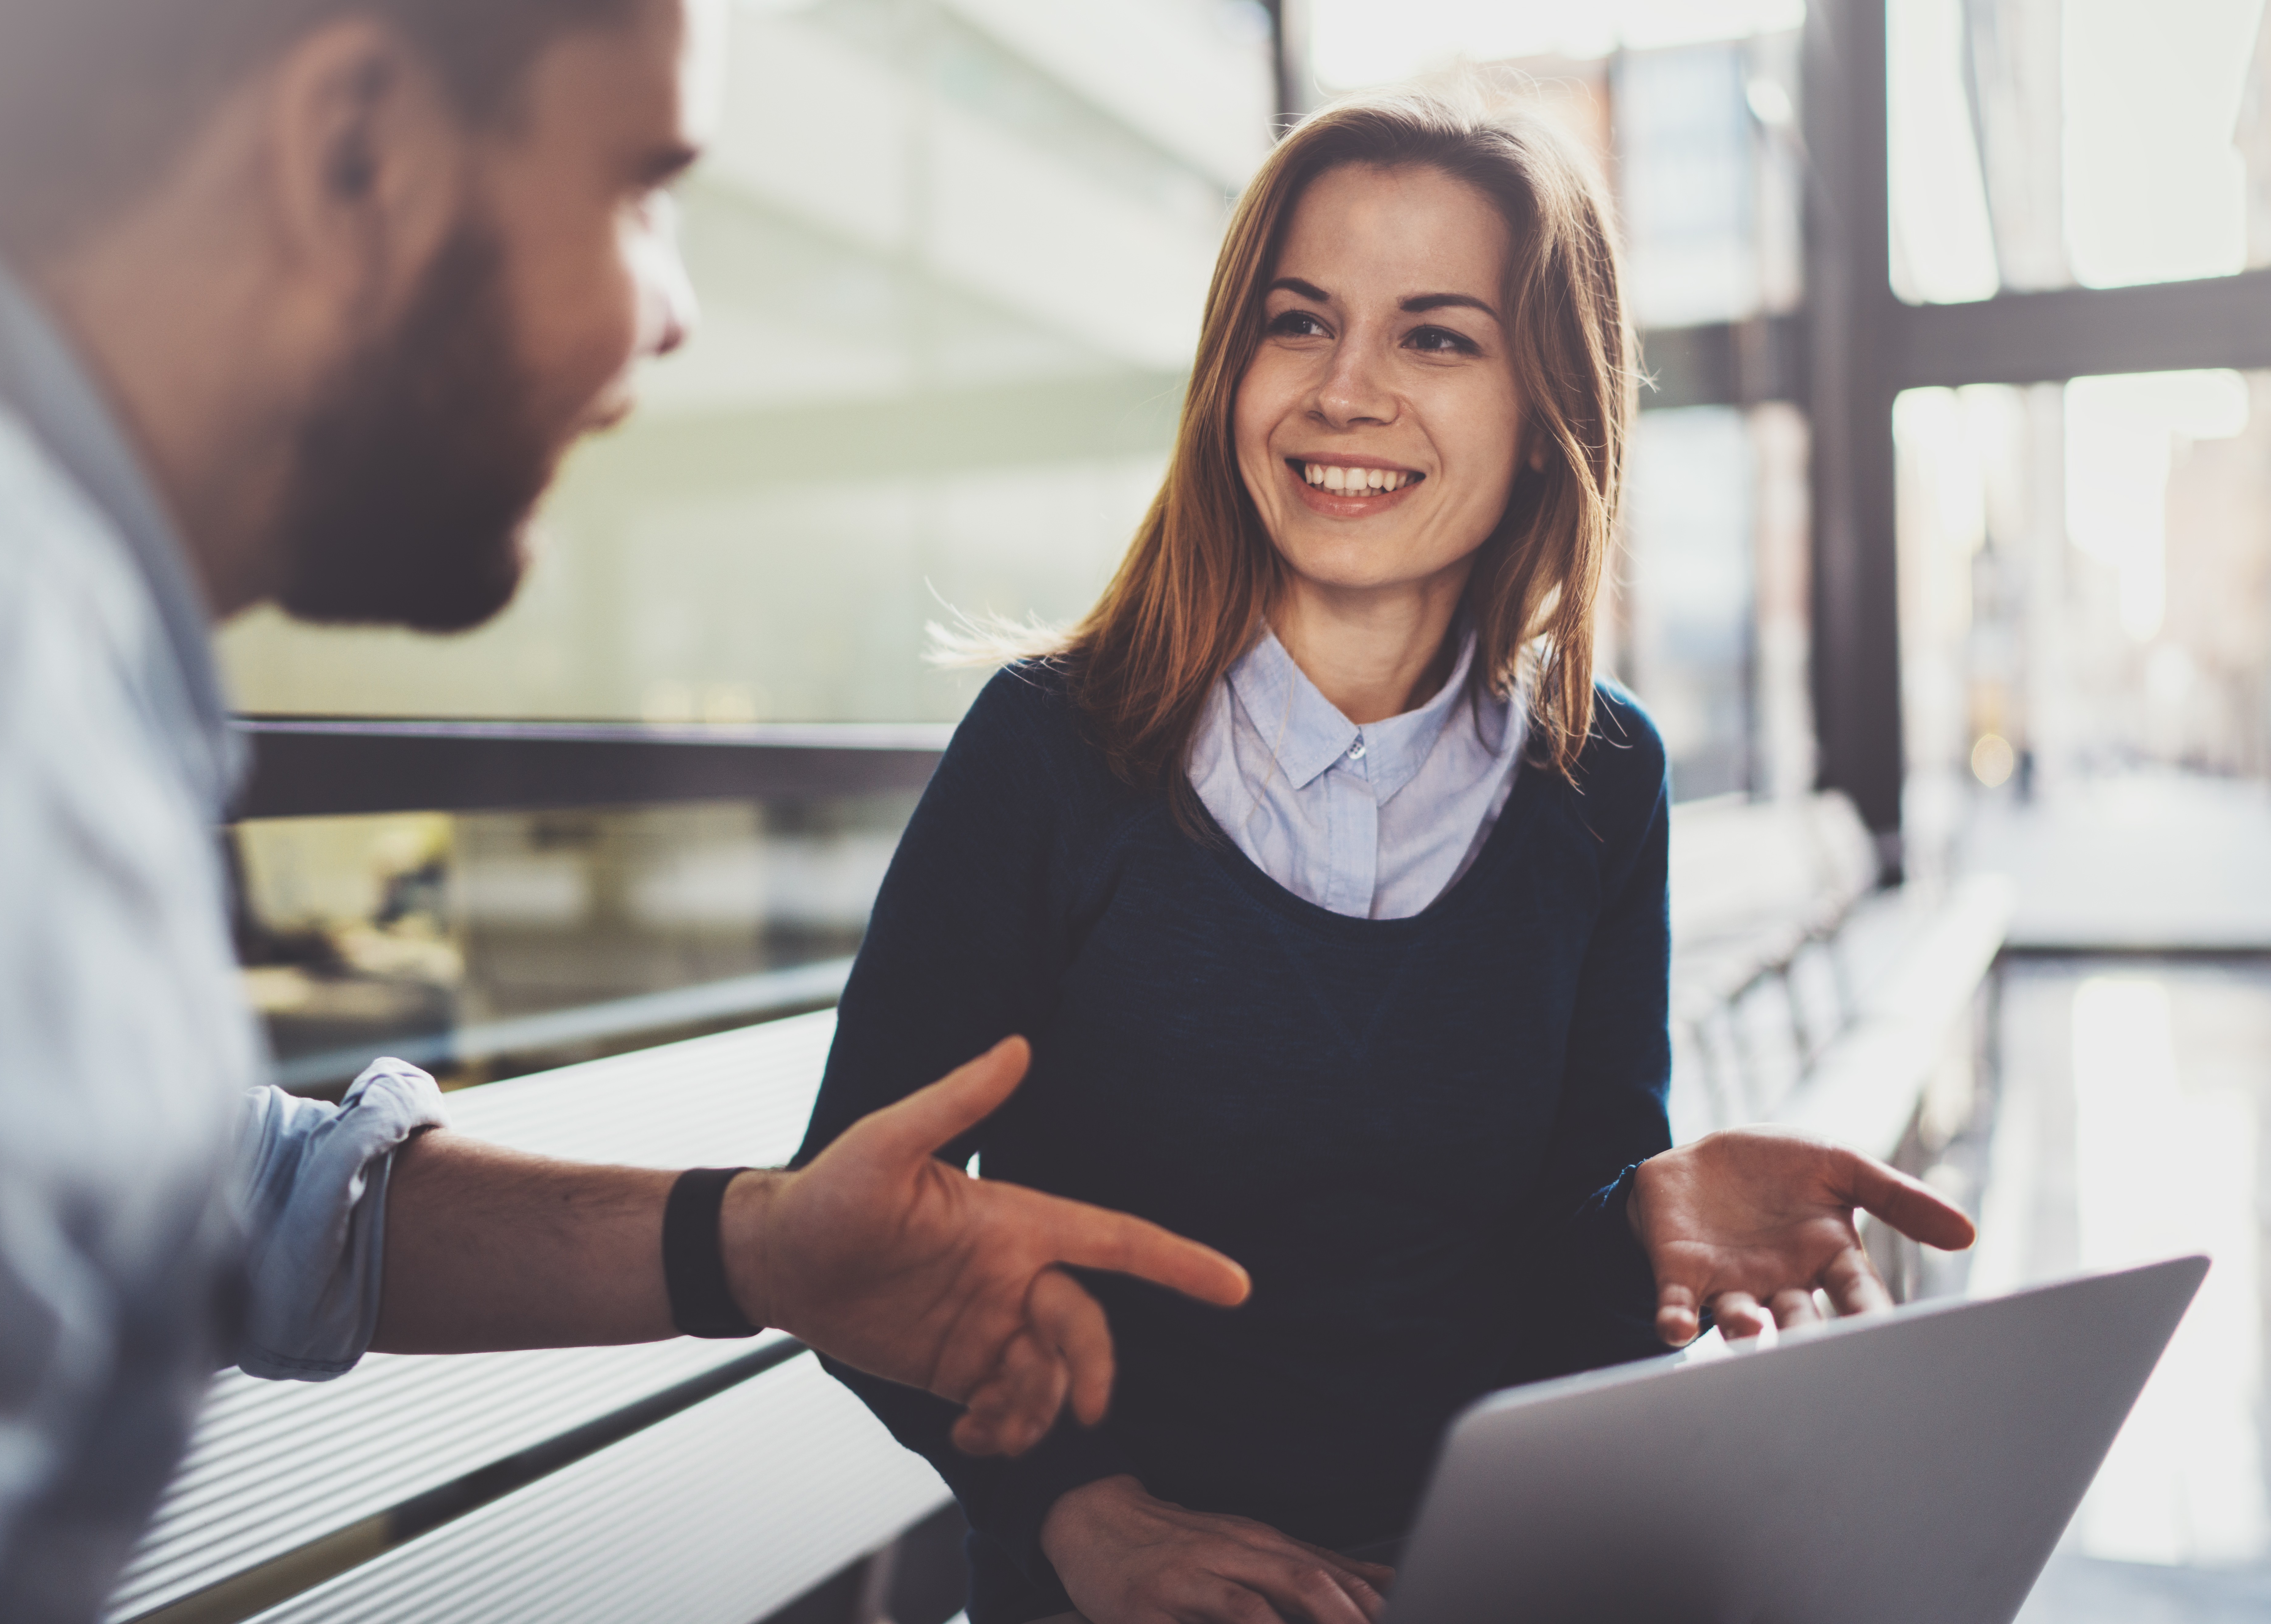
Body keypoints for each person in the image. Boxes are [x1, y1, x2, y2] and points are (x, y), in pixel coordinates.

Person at [0, 3, 1259, 1620]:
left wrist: (758, 1246)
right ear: (356, 152)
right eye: (642, 190)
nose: (673, 316)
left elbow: (196, 1190)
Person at [795, 88, 1979, 1624]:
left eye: (1434, 336)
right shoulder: (1047, 753)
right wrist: (1082, 1522)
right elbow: (842, 1239)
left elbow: (1553, 1254)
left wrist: (1643, 1222)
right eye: (1299, 323)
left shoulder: (1600, 781)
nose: (1344, 391)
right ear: (1232, 370)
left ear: (1546, 413)